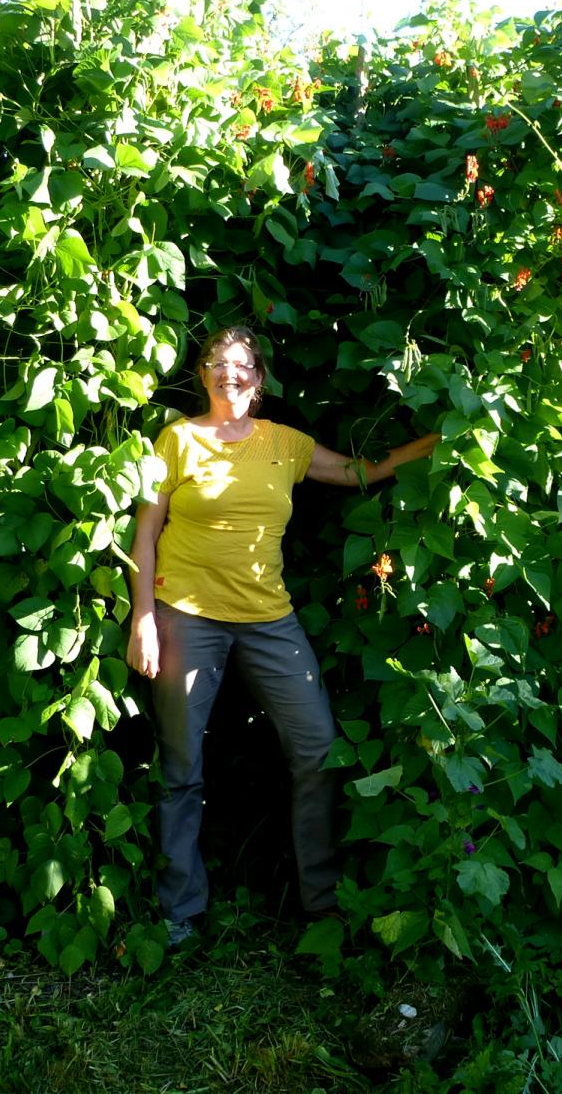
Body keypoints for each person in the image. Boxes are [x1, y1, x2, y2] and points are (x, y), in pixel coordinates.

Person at [126, 325, 438, 947]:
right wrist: (143, 619)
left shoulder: (284, 443)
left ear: (259, 379)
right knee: (181, 765)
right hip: (185, 615)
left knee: (318, 747)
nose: (229, 372)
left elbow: (363, 473)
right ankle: (180, 912)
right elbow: (146, 532)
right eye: (217, 362)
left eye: (241, 364)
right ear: (203, 375)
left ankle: (323, 905)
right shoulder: (177, 439)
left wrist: (441, 438)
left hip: (270, 619)